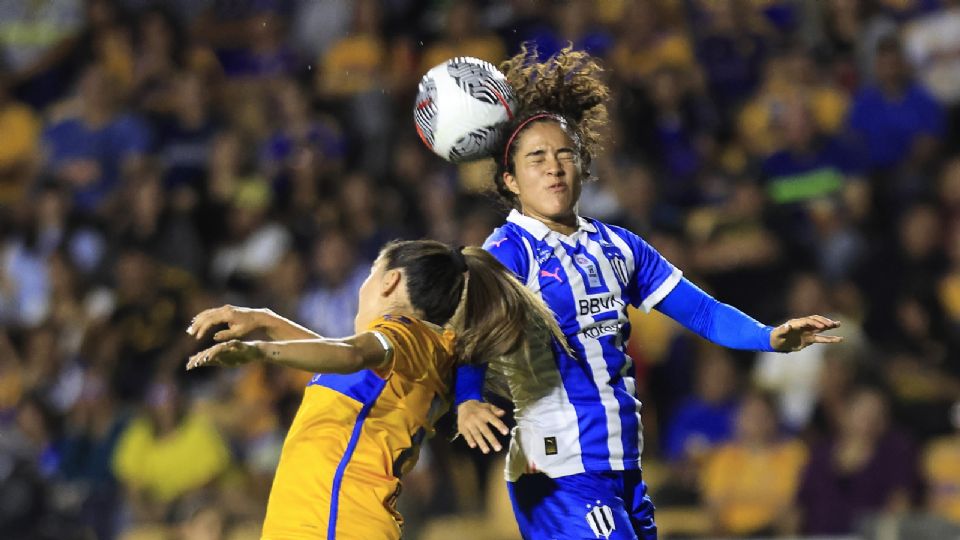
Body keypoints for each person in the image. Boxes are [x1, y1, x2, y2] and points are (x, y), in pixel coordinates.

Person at [454, 45, 843, 540]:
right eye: (536, 159)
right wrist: (467, 398)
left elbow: (701, 312)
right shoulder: (508, 251)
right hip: (559, 469)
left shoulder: (617, 245)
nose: (554, 167)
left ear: (583, 166)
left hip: (621, 465)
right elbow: (472, 331)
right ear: (510, 181)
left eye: (564, 154)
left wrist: (770, 337)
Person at [184, 239, 566, 539]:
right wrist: (264, 320)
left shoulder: (403, 335)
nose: (363, 285)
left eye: (370, 272)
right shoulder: (415, 358)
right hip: (326, 523)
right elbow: (336, 358)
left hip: (332, 523)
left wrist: (258, 351)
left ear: (391, 281)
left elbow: (348, 353)